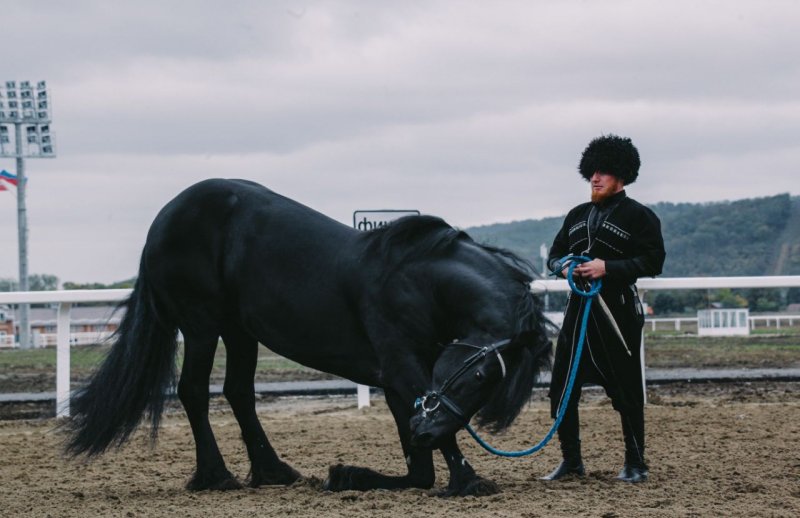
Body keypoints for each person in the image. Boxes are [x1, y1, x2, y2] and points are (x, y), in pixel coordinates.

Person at [543, 134, 665, 483]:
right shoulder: (576, 215)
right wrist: (565, 267)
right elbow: (554, 255)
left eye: (604, 172)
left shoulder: (640, 216)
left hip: (617, 313)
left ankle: (635, 462)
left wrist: (607, 268)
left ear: (621, 176)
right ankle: (571, 461)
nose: (594, 178)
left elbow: (654, 260)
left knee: (626, 389)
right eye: (592, 172)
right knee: (562, 387)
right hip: (578, 312)